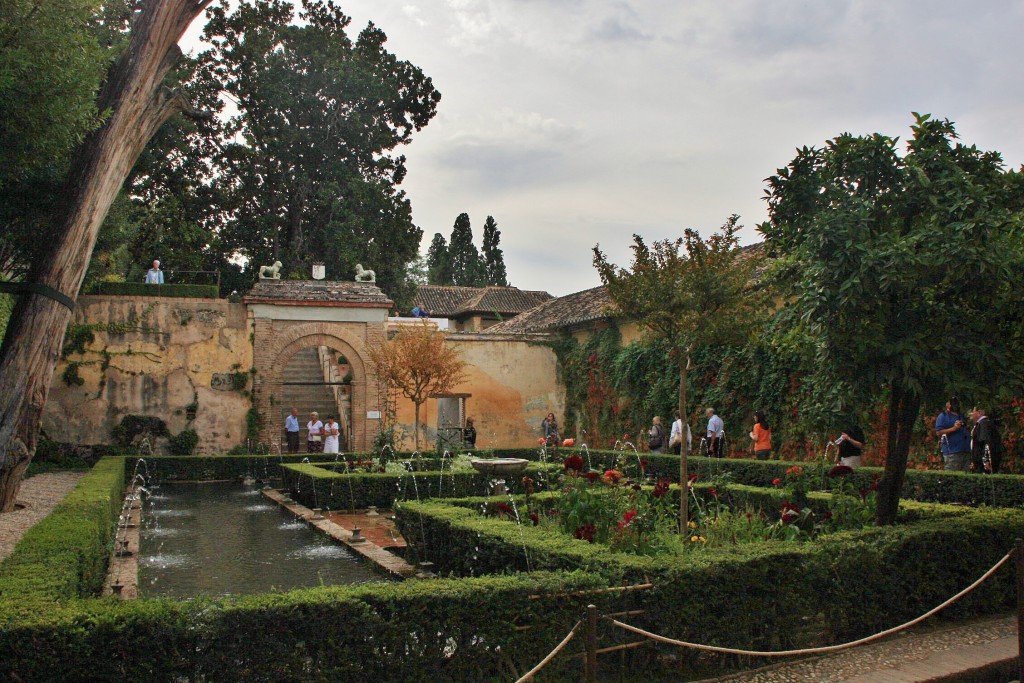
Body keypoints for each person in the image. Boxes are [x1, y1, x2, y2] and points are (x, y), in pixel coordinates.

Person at [935, 397, 970, 471]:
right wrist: (954, 428)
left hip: (965, 450)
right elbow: (939, 432)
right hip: (952, 451)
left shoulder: (961, 415)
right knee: (952, 474)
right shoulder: (943, 416)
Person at [970, 406, 1001, 474]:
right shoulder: (981, 424)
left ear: (980, 413)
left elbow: (986, 442)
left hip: (982, 462)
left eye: (973, 412)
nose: (971, 414)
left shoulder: (984, 424)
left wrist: (986, 460)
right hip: (979, 460)